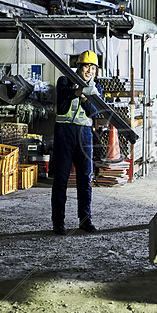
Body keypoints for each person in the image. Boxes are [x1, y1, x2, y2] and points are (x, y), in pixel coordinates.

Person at [51, 50, 101, 236]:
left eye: (93, 67)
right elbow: (62, 102)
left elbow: (93, 113)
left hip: (84, 135)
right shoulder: (64, 81)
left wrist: (87, 97)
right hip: (64, 134)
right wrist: (78, 91)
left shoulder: (97, 89)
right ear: (79, 67)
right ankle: (58, 222)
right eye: (87, 66)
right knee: (61, 180)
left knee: (85, 179)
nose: (90, 70)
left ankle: (85, 219)